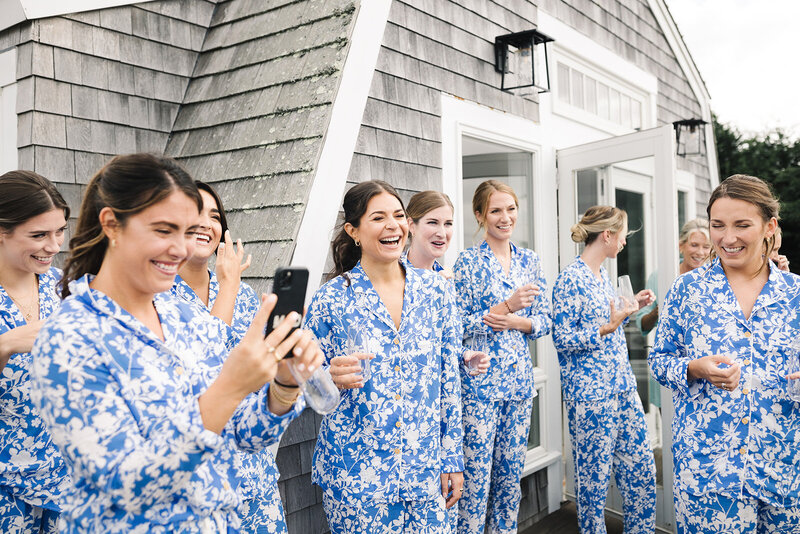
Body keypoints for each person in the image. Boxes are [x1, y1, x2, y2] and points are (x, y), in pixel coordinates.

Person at [29, 153, 322, 533]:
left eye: (187, 232)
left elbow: (242, 435)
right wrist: (230, 387)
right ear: (112, 224)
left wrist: (283, 383)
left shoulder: (186, 317)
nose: (182, 249)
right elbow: (126, 484)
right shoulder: (68, 338)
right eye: (164, 230)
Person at [305, 180, 464, 533]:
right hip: (357, 480)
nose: (393, 225)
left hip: (426, 475)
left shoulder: (437, 292)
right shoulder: (331, 299)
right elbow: (302, 384)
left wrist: (452, 457)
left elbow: (449, 381)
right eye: (378, 218)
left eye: (398, 215)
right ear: (353, 231)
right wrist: (327, 377)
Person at [650, 174, 800, 533]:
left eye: (742, 225)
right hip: (708, 473)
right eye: (718, 225)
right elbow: (658, 361)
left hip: (784, 469)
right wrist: (693, 367)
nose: (727, 238)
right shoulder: (687, 289)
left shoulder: (796, 294)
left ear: (769, 227)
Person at [170, 181, 284, 533]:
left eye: (215, 216)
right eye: (195, 213)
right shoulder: (158, 298)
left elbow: (263, 374)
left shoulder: (245, 296)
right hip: (196, 484)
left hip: (254, 475)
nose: (206, 223)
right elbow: (207, 367)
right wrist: (229, 286)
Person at [452, 179, 552, 534]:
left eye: (510, 209)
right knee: (476, 481)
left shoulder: (530, 260)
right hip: (480, 388)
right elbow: (456, 325)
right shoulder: (467, 262)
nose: (505, 217)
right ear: (480, 215)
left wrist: (516, 321)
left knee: (510, 480)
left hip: (519, 385)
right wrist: (504, 307)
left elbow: (545, 321)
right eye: (496, 210)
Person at [552, 205, 657, 534]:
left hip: (623, 388)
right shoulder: (570, 279)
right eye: (623, 235)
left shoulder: (604, 277)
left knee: (642, 472)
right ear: (608, 235)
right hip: (591, 397)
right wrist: (606, 327)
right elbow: (562, 339)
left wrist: (631, 308)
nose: (625, 242)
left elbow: (609, 322)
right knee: (593, 486)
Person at [404, 190, 490, 532]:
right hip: (406, 434)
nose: (442, 232)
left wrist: (463, 358)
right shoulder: (396, 280)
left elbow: (440, 349)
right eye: (433, 222)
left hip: (445, 427)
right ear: (410, 225)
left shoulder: (446, 281)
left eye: (449, 223)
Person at [0, 171, 71, 533]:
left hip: (66, 482)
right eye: (39, 235)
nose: (54, 246)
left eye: (60, 231)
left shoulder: (66, 288)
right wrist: (7, 344)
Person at [636, 218, 712, 335]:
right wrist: (658, 311)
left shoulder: (716, 278)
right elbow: (642, 324)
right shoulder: (660, 276)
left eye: (706, 247)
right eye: (694, 245)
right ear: (681, 246)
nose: (700, 252)